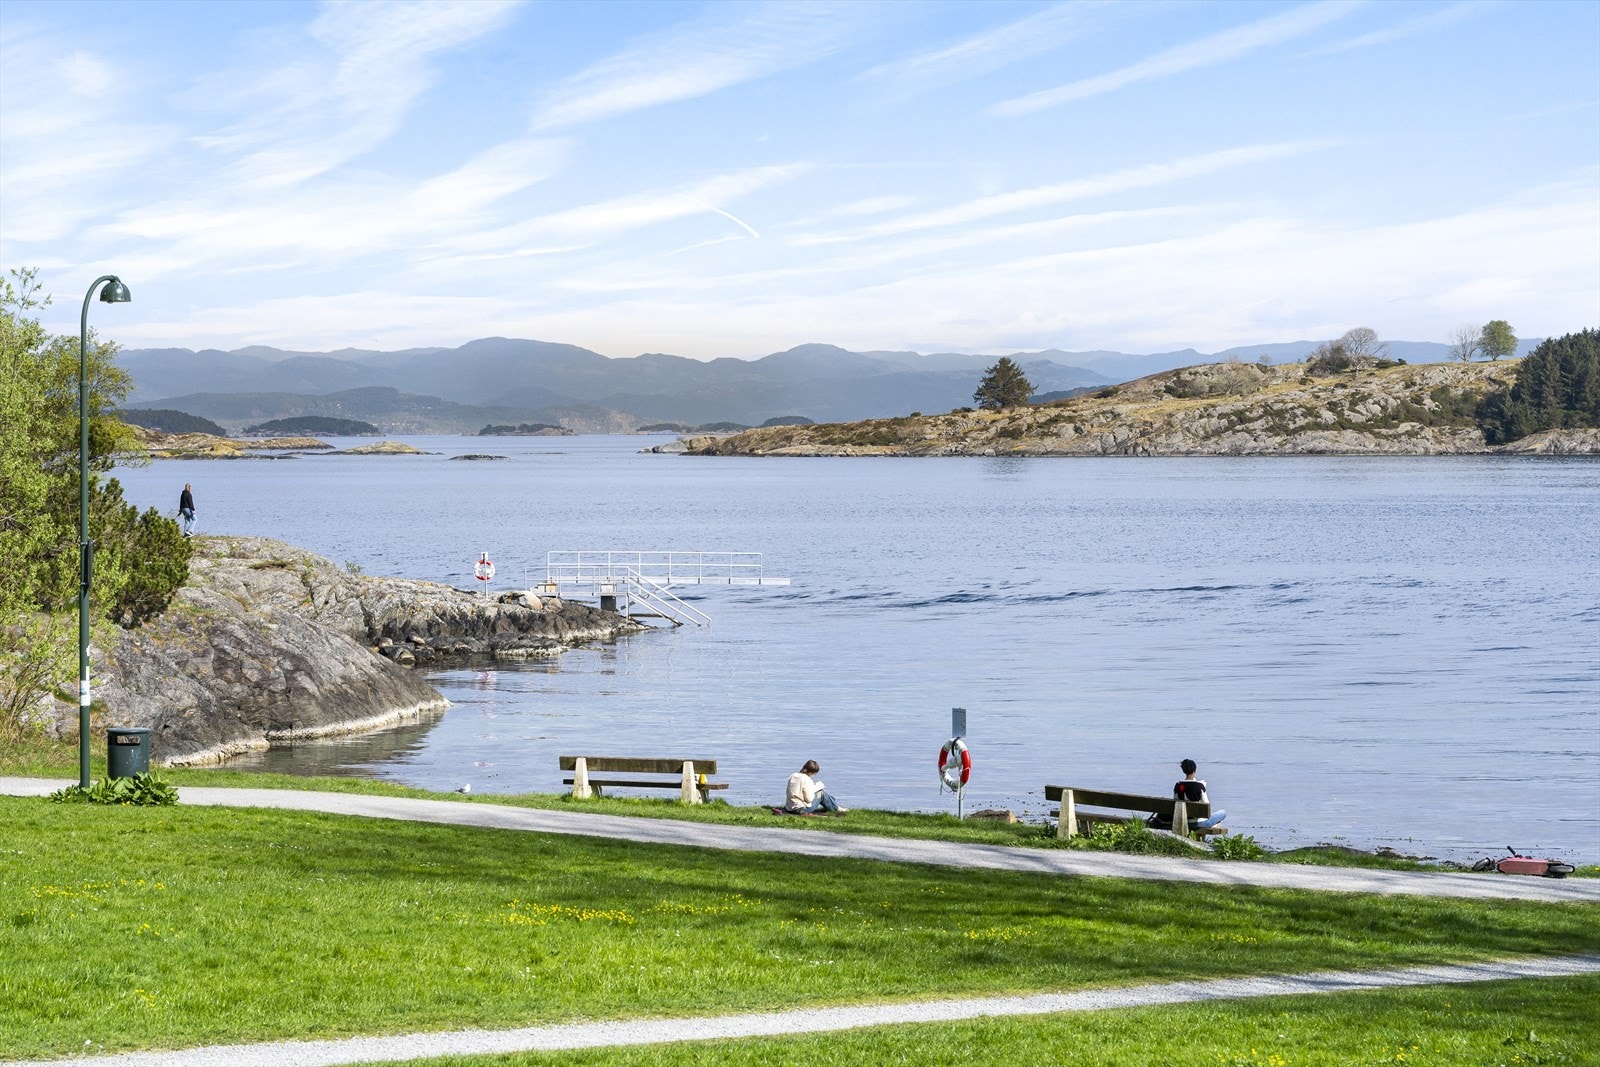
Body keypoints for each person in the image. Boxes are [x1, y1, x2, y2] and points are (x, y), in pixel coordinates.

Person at [1174, 758, 1227, 830]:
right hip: (1198, 823)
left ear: (1184, 771)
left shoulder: (1178, 785)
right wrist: (1203, 788)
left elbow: (1176, 801)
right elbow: (1206, 806)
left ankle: (1214, 824)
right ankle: (1214, 825)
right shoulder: (1200, 786)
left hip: (1183, 820)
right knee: (1223, 812)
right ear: (1195, 770)